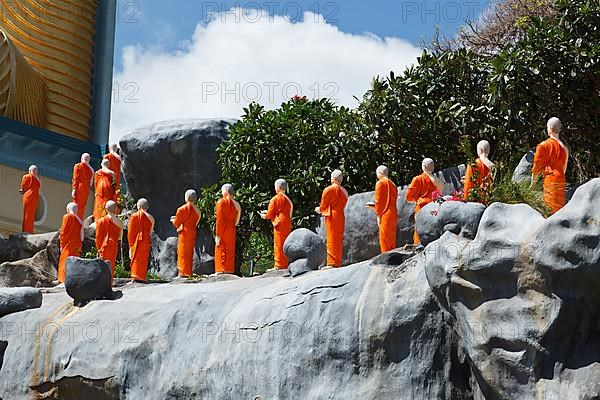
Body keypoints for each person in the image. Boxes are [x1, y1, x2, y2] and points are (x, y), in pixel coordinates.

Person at [532, 117, 569, 214]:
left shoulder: (543, 146)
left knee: (549, 210)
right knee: (559, 210)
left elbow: (536, 169)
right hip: (561, 180)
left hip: (550, 180)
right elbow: (563, 169)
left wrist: (533, 185)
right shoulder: (565, 148)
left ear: (550, 129)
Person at [406, 158, 444, 245]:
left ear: (423, 167)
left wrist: (416, 199)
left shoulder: (418, 179)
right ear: (433, 167)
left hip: (422, 207)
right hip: (434, 207)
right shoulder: (437, 180)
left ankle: (418, 246)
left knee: (419, 230)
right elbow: (441, 191)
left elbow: (408, 197)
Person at [315, 170, 348, 268]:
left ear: (332, 178)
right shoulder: (344, 191)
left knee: (332, 238)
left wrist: (319, 209)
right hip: (341, 215)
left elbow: (324, 205)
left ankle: (332, 262)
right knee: (338, 238)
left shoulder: (329, 190)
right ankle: (337, 260)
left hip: (332, 216)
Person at [261, 179, 293, 270]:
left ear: (278, 187)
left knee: (279, 243)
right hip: (287, 222)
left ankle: (279, 264)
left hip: (279, 223)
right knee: (286, 243)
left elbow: (271, 212)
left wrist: (265, 216)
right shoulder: (288, 199)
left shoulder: (276, 198)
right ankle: (286, 262)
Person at [171, 190, 202, 279]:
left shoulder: (181, 209)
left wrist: (173, 220)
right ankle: (188, 272)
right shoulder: (198, 211)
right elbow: (196, 223)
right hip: (192, 233)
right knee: (189, 252)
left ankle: (183, 273)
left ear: (186, 197)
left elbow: (176, 223)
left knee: (182, 253)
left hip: (184, 233)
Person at [367, 165, 398, 253]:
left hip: (385, 214)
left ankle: (387, 258)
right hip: (393, 213)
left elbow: (378, 201)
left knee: (385, 239)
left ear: (380, 173)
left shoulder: (380, 183)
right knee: (391, 238)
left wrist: (377, 212)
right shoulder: (393, 184)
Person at [214, 184, 242, 275]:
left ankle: (221, 269)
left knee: (221, 248)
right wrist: (232, 225)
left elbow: (220, 221)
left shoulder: (221, 202)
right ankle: (229, 269)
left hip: (223, 229)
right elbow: (237, 220)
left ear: (225, 191)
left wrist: (218, 235)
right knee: (230, 250)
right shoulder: (237, 204)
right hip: (231, 228)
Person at [95, 200, 123, 283]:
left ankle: (104, 282)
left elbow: (98, 237)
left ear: (106, 209)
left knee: (104, 264)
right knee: (112, 263)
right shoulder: (119, 222)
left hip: (104, 245)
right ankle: (110, 281)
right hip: (113, 244)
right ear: (116, 209)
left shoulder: (101, 221)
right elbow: (120, 237)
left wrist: (98, 248)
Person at [128, 198, 155, 283]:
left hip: (136, 241)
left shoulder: (134, 216)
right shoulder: (151, 218)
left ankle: (136, 276)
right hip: (146, 240)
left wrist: (131, 245)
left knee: (136, 258)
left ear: (138, 206)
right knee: (144, 259)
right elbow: (150, 231)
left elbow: (130, 233)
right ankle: (142, 276)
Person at [58, 202, 84, 284]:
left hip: (68, 244)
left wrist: (61, 244)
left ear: (68, 209)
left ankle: (63, 279)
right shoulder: (80, 221)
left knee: (65, 262)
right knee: (75, 263)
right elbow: (82, 238)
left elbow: (63, 233)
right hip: (77, 245)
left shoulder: (67, 217)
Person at [71, 153, 94, 220]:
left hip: (79, 187)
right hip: (86, 189)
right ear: (89, 160)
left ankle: (74, 219)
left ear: (81, 158)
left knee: (76, 203)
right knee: (82, 206)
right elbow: (91, 183)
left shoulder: (78, 166)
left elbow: (75, 178)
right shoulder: (91, 170)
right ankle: (80, 219)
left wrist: (74, 189)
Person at [19, 165, 41, 233]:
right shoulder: (37, 179)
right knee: (31, 215)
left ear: (30, 170)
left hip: (29, 196)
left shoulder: (27, 176)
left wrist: (22, 190)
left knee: (27, 214)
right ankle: (29, 230)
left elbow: (24, 186)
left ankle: (26, 230)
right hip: (35, 198)